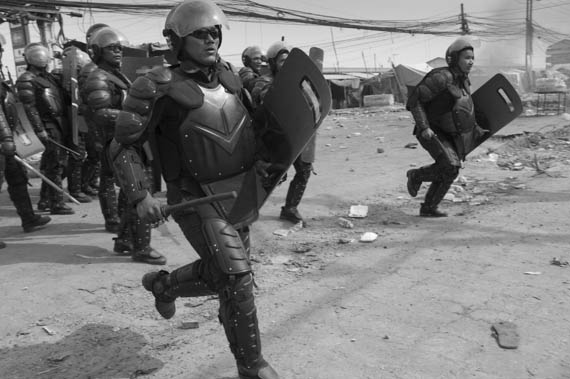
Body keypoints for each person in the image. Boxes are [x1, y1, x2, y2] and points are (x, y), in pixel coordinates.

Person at [108, 1, 279, 377]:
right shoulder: (155, 85)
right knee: (235, 278)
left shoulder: (233, 78)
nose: (211, 39)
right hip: (194, 196)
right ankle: (252, 367)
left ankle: (164, 285)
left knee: (230, 276)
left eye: (215, 31)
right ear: (177, 40)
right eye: (200, 33)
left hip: (239, 194)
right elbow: (122, 146)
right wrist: (140, 195)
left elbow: (254, 130)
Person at [82, 27, 165, 263]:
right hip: (116, 144)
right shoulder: (98, 77)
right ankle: (141, 248)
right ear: (98, 51)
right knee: (140, 190)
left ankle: (125, 240)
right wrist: (138, 118)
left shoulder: (117, 75)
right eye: (111, 48)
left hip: (130, 140)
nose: (118, 52)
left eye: (120, 48)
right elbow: (100, 113)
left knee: (131, 194)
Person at [406, 37, 485, 217]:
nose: (471, 61)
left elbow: (464, 109)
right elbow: (415, 101)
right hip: (431, 131)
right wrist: (424, 127)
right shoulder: (441, 76)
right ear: (453, 58)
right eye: (466, 57)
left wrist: (474, 129)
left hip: (450, 133)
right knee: (449, 165)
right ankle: (415, 176)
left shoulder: (464, 81)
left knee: (452, 170)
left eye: (472, 57)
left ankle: (429, 208)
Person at [251, 41, 314, 226]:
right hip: (272, 138)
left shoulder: (299, 83)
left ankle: (290, 208)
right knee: (272, 176)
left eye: (288, 62)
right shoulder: (264, 81)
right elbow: (261, 95)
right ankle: (246, 208)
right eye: (281, 61)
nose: (285, 66)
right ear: (272, 63)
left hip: (295, 135)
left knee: (304, 170)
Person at [1, 36, 51, 237]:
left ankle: (29, 219)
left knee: (18, 180)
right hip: (4, 142)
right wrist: (5, 139)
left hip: (9, 141)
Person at [16, 43, 75, 215]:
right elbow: (29, 107)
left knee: (55, 164)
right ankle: (56, 203)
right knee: (54, 164)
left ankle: (45, 200)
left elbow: (65, 89)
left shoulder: (49, 77)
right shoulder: (26, 79)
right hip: (46, 125)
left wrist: (65, 61)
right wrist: (39, 129)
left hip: (59, 124)